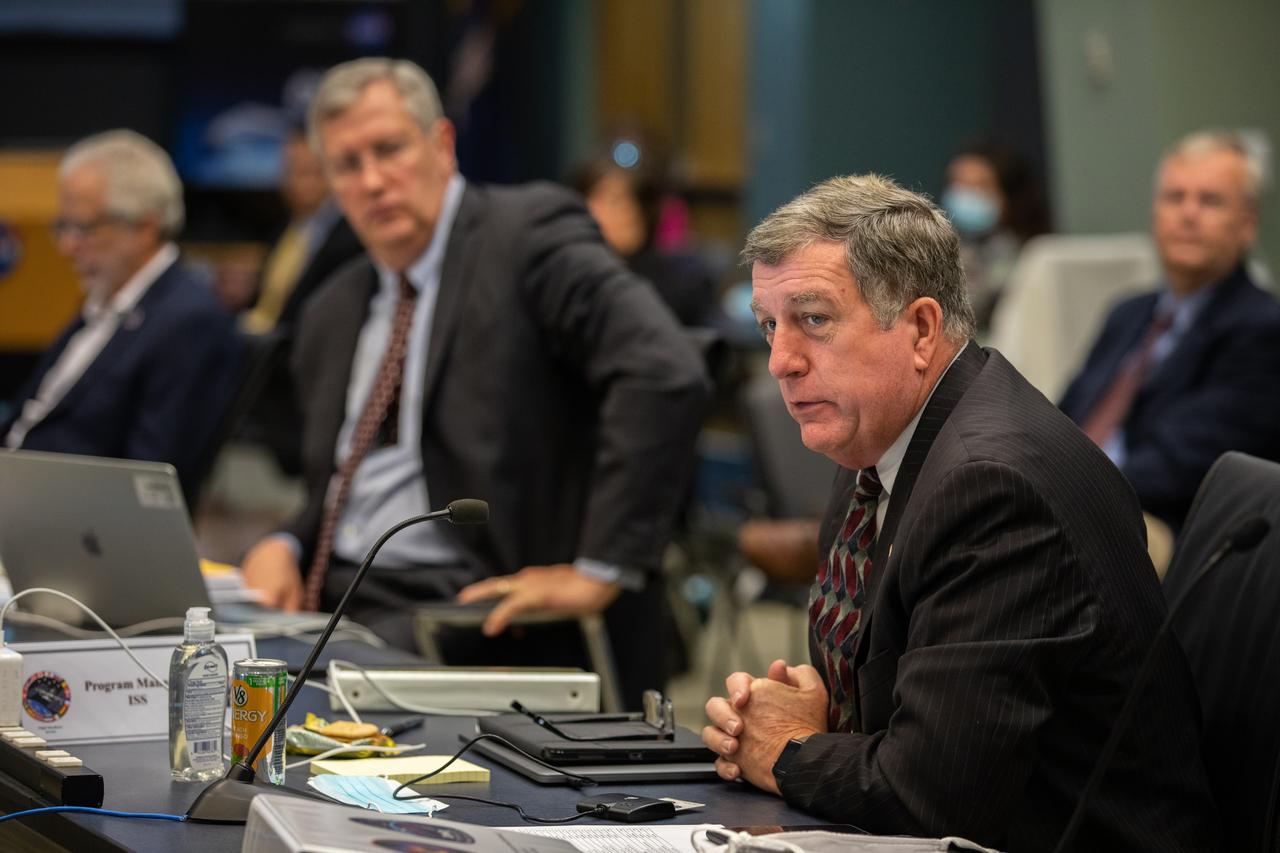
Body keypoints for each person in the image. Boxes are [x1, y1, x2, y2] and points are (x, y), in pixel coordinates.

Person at [702, 174, 1220, 851]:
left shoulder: (993, 488)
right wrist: (816, 715)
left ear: (921, 327)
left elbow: (927, 796)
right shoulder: (879, 438)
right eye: (770, 325)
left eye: (814, 319)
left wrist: (786, 748)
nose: (780, 361)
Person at [239, 58, 708, 708]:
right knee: (189, 663)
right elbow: (346, 483)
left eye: (389, 149)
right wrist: (286, 541)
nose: (372, 180)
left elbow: (663, 367)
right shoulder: (334, 310)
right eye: (347, 165)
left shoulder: (526, 237)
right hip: (339, 594)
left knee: (283, 701)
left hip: (466, 606)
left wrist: (599, 568)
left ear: (441, 144)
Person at [1060, 130, 1280, 532]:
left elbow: (1181, 467)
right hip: (1073, 503)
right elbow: (1064, 417)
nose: (1188, 213)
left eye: (1210, 200)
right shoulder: (1128, 312)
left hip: (1165, 525)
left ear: (1247, 226)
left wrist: (1062, 493)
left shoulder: (1263, 328)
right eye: (1175, 197)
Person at [1, 130, 239, 499]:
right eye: (63, 226)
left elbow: (148, 484)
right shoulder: (106, 300)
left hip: (62, 528)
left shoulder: (187, 321)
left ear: (144, 228)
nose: (66, 247)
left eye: (83, 228)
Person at [570, 149, 717, 327]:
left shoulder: (684, 282)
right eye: (614, 200)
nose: (629, 212)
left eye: (640, 200)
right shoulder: (569, 280)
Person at [941, 142, 1049, 328]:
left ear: (1010, 195)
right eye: (959, 183)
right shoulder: (941, 247)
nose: (965, 195)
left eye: (979, 187)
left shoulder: (1031, 256)